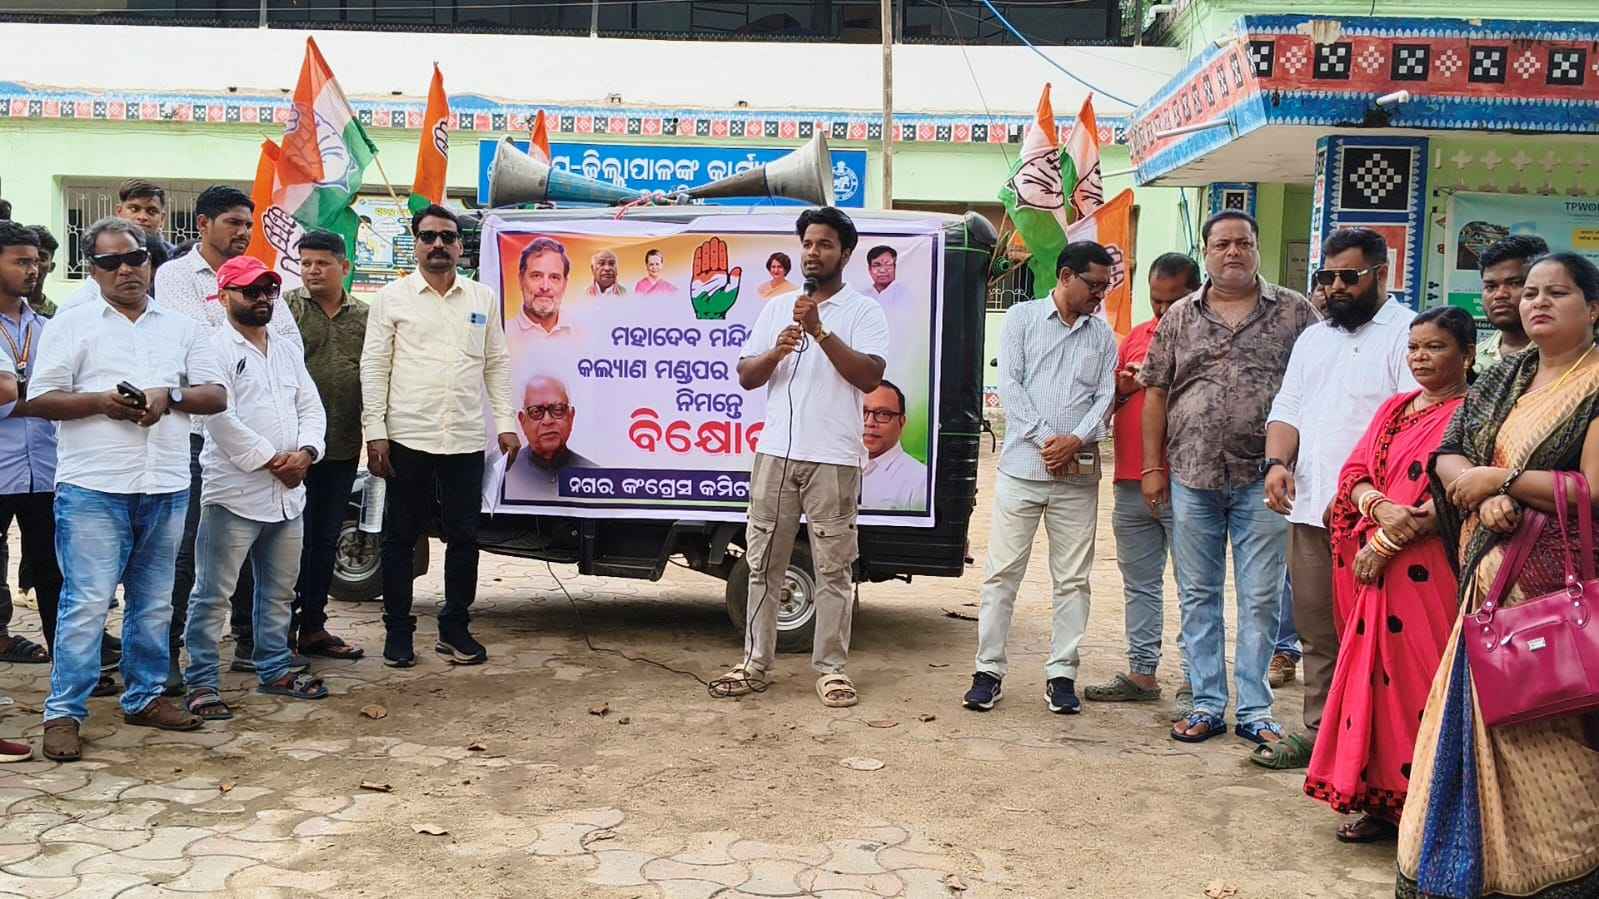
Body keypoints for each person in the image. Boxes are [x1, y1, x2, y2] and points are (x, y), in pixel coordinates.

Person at [1398, 252, 1599, 898]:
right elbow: (1449, 453)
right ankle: (1472, 873)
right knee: (1468, 733)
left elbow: (1592, 490)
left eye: (1556, 293)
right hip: (1485, 597)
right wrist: (1478, 490)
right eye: (1531, 292)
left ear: (1593, 308)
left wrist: (1504, 480)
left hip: (1553, 601)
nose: (1536, 302)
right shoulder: (1505, 375)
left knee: (1551, 739)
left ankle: (1558, 876)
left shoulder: (1594, 384)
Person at [28, 217, 226, 762]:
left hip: (165, 483)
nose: (125, 270)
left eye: (135, 258)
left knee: (154, 602)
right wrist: (101, 403)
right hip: (94, 485)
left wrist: (169, 397)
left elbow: (215, 394)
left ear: (150, 261)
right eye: (110, 262)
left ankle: (144, 697)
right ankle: (64, 712)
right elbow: (39, 398)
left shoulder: (181, 327)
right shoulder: (72, 324)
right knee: (87, 603)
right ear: (92, 269)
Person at [1140, 210, 1317, 745]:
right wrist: (1153, 467)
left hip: (1266, 480)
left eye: (1243, 242)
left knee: (1261, 597)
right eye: (1222, 244)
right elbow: (1156, 392)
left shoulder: (1295, 312)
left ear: (1257, 248)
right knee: (1198, 594)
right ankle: (1207, 703)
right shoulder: (1179, 316)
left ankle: (1256, 710)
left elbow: (1318, 386)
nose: (1233, 252)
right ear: (1207, 252)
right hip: (1192, 476)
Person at [1301, 306, 1472, 844]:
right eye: (1414, 347)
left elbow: (1457, 494)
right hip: (1374, 577)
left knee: (1423, 685)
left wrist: (1388, 539)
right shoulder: (1396, 408)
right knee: (1372, 685)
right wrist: (1376, 506)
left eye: (1436, 347)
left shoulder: (1473, 414)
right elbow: (1354, 471)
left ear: (1467, 354)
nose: (1420, 357)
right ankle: (1379, 803)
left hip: (1428, 572)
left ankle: (1423, 811)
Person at [710, 206, 888, 708]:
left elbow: (870, 377)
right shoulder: (777, 307)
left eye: (825, 244)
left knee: (833, 569)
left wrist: (821, 332)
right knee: (763, 562)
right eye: (808, 243)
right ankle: (755, 663)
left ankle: (831, 669)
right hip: (776, 454)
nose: (813, 252)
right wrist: (776, 352)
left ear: (845, 254)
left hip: (833, 458)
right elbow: (747, 376)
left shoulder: (864, 311)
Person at [1259, 227, 1420, 769]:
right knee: (1317, 631)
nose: (1334, 288)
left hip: (1376, 517)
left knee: (1376, 633)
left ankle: (1376, 746)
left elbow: (1410, 424)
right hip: (1310, 510)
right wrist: (1276, 463)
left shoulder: (1407, 333)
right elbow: (1288, 408)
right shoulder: (1314, 338)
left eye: (1348, 277)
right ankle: (1321, 734)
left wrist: (1367, 499)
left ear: (1381, 274)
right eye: (1326, 277)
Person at [961, 241, 1117, 714]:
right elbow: (1010, 386)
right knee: (1002, 575)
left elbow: (1106, 396)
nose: (1100, 295)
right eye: (1094, 285)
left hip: (1076, 479)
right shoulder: (1022, 318)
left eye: (1105, 287)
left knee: (1073, 580)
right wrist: (1050, 440)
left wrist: (1077, 439)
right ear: (1066, 276)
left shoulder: (1102, 335)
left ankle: (1062, 674)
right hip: (1022, 471)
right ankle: (988, 671)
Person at [158, 186, 303, 689]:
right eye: (233, 223)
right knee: (192, 555)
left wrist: (297, 450)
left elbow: (288, 343)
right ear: (203, 223)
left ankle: (252, 647)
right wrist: (242, 329)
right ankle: (169, 657)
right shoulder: (175, 276)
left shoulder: (262, 277)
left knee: (263, 557)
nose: (243, 232)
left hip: (274, 444)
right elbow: (197, 349)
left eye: (247, 223)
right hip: (201, 438)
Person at [362, 204, 517, 668]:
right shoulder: (392, 299)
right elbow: (374, 367)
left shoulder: (482, 298)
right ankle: (398, 631)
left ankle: (455, 628)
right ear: (415, 244)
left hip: (465, 439)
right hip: (407, 437)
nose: (438, 245)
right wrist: (375, 432)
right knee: (400, 539)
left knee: (464, 538)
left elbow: (497, 364)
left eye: (447, 237)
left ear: (459, 245)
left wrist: (506, 423)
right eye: (428, 236)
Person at [183, 256, 328, 720]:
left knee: (279, 592)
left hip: (288, 494)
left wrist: (307, 453)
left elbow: (311, 405)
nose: (263, 299)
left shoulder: (284, 347)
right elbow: (219, 419)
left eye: (269, 290)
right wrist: (272, 461)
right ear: (223, 295)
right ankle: (202, 683)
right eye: (251, 291)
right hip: (235, 493)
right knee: (213, 596)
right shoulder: (211, 349)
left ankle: (275, 669)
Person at [1084, 252, 1199, 711]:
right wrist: (1125, 387)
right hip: (1130, 482)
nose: (1164, 310)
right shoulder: (1134, 338)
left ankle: (1196, 681)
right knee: (1140, 583)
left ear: (1195, 293)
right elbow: (1105, 403)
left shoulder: (1205, 339)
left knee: (1195, 586)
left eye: (1174, 301)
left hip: (1186, 484)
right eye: (1156, 300)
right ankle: (1142, 672)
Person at [284, 230, 366, 661]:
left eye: (322, 263)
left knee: (324, 540)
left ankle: (313, 627)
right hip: (292, 452)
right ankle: (276, 632)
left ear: (344, 267)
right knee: (286, 543)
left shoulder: (366, 316)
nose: (313, 271)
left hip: (343, 446)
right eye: (306, 263)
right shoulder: (285, 309)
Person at [0, 222, 59, 672]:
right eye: (21, 261)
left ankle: (69, 663)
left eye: (36, 262)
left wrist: (23, 397)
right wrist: (41, 398)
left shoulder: (48, 328)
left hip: (47, 466)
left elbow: (68, 390)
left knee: (54, 571)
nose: (33, 270)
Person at [502, 375, 595, 502]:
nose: (547, 421)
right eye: (536, 411)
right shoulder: (506, 473)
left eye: (558, 409)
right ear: (522, 421)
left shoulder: (594, 476)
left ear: (571, 416)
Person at [1474, 234, 1548, 371]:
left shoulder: (1566, 357)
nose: (1500, 295)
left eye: (1514, 283)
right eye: (1491, 286)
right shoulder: (1472, 359)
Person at [860, 380, 927, 512]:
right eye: (862, 412)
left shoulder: (920, 480)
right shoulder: (832, 470)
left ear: (902, 422)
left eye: (883, 414)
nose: (869, 422)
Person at [507, 238, 575, 353]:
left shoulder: (582, 332)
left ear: (564, 284)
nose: (545, 287)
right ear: (521, 280)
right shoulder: (503, 333)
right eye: (536, 276)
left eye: (554, 277)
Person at [117, 179, 176, 271]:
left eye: (152, 211)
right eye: (134, 209)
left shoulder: (175, 259)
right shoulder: (104, 255)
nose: (142, 217)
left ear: (162, 219)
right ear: (119, 212)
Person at [23, 225, 58, 318]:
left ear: (51, 267)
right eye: (26, 259)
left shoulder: (58, 315)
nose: (34, 266)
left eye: (41, 259)